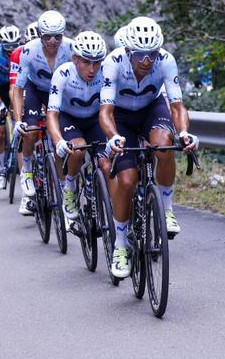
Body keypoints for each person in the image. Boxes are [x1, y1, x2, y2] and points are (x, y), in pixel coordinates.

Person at [100, 16, 200, 278]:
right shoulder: (113, 62)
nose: (147, 61)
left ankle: (166, 210)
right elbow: (105, 111)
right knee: (127, 179)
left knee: (164, 146)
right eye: (141, 55)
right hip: (120, 116)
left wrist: (185, 133)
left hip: (150, 110)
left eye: (152, 54)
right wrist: (112, 137)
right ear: (129, 51)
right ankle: (120, 245)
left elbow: (177, 106)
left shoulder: (165, 60)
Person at [11, 12, 74, 215]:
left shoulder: (71, 48)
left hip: (61, 92)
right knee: (29, 131)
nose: (53, 41)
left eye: (57, 36)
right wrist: (18, 120)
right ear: (40, 34)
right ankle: (27, 172)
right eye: (47, 36)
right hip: (35, 89)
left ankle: (61, 182)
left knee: (61, 139)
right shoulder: (29, 50)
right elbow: (18, 88)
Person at [46, 31, 109, 232]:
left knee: (106, 162)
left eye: (97, 63)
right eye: (86, 62)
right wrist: (58, 141)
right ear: (75, 59)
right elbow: (52, 113)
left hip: (95, 119)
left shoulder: (106, 72)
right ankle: (70, 189)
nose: (92, 69)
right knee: (78, 148)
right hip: (69, 118)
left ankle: (106, 203)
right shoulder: (63, 73)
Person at [0, 25, 21, 189]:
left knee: (22, 124)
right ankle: (1, 170)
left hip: (17, 87)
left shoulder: (23, 51)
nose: (11, 50)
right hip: (0, 88)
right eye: (7, 46)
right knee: (0, 133)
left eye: (14, 46)